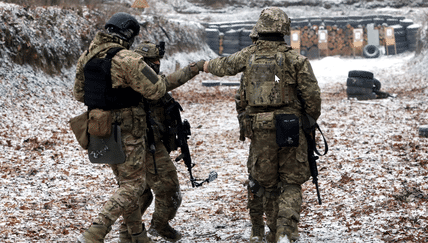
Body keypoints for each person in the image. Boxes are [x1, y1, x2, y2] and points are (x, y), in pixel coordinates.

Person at [204, 7, 321, 243]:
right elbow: (313, 99)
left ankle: (272, 230)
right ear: (284, 30)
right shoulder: (296, 60)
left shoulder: (248, 56)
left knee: (266, 184)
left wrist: (200, 66)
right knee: (291, 182)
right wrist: (307, 122)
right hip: (290, 127)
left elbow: (223, 68)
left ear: (260, 29)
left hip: (259, 129)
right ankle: (286, 231)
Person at [74, 12, 169, 243]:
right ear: (127, 34)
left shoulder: (87, 56)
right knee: (133, 186)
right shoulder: (127, 59)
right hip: (129, 128)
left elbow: (79, 94)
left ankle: (136, 235)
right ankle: (95, 233)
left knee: (125, 183)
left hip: (100, 127)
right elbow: (156, 90)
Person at [117, 41, 204, 242]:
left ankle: (128, 232)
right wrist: (195, 68)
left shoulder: (145, 80)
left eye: (158, 60)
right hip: (145, 146)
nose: (157, 63)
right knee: (169, 189)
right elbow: (168, 82)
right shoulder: (137, 83)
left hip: (148, 144)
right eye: (152, 61)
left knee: (143, 193)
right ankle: (158, 226)